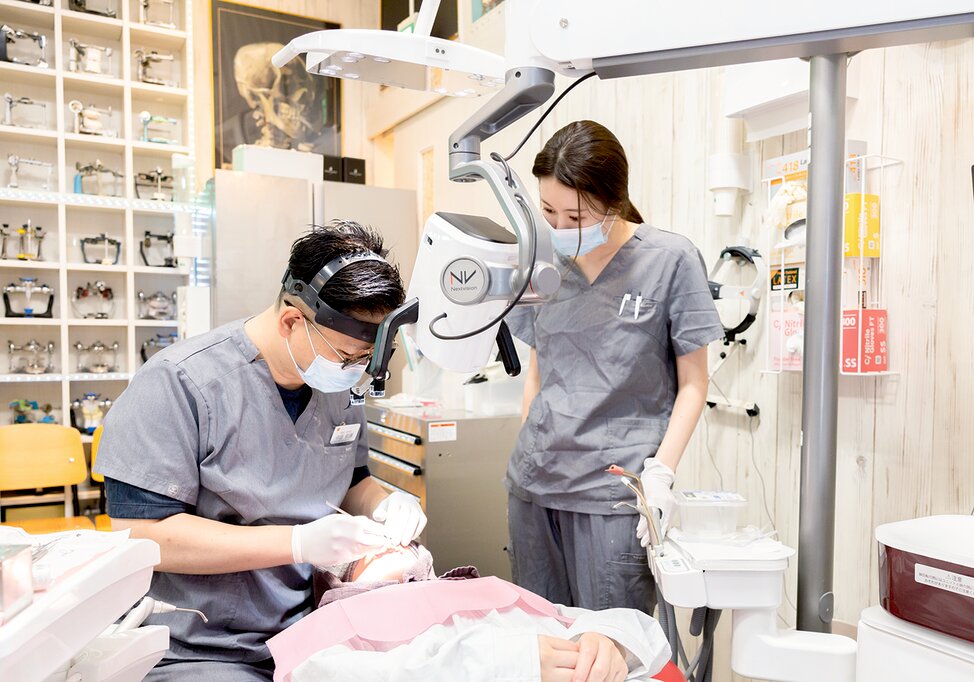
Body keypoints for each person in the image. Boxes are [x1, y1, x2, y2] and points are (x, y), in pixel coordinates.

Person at [94, 221, 428, 681]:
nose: (355, 374)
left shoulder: (333, 384)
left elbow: (351, 480)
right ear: (293, 320)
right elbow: (143, 535)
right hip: (198, 644)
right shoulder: (180, 384)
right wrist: (296, 543)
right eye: (349, 358)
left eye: (365, 363)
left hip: (308, 629)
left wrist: (387, 502)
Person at [504, 120, 724, 614]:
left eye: (575, 215)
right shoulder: (542, 264)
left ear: (615, 201)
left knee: (613, 650)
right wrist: (530, 445)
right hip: (534, 487)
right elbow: (538, 373)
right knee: (546, 646)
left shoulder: (670, 260)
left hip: (613, 495)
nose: (559, 229)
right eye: (548, 213)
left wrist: (661, 474)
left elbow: (694, 383)